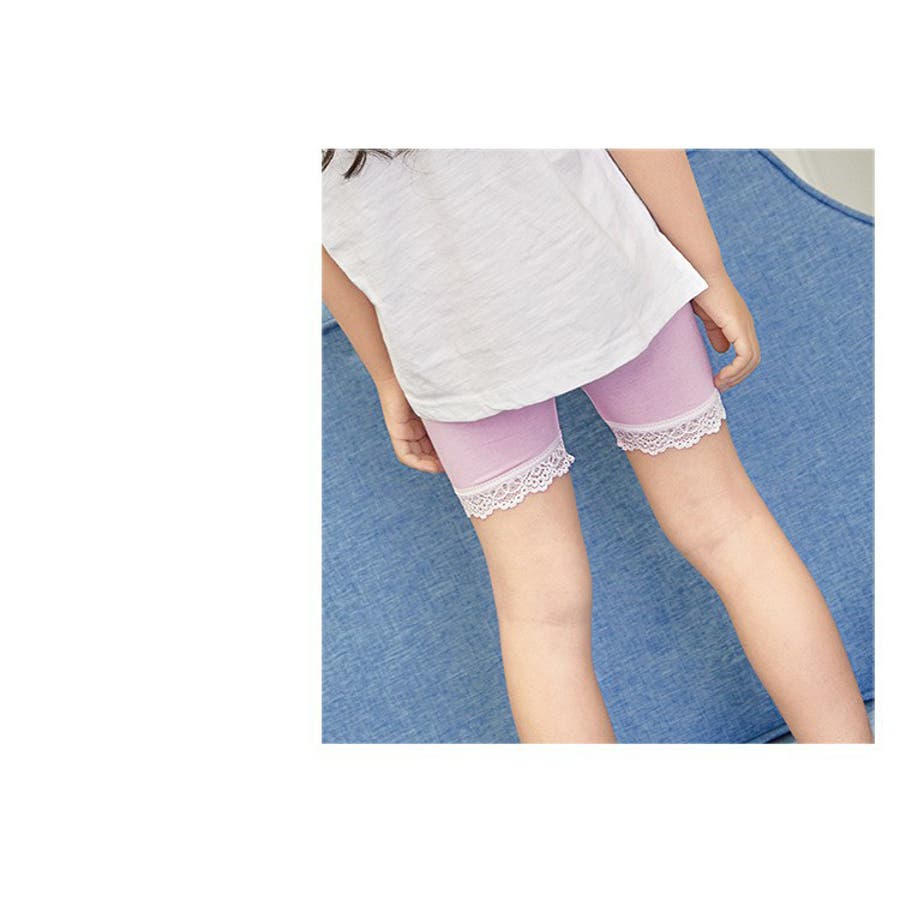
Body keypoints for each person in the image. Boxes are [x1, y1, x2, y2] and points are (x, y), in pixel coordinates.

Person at [321, 148, 873, 744]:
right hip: (601, 268)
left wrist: (387, 374)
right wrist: (707, 269)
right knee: (730, 529)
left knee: (541, 615)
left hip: (450, 347)